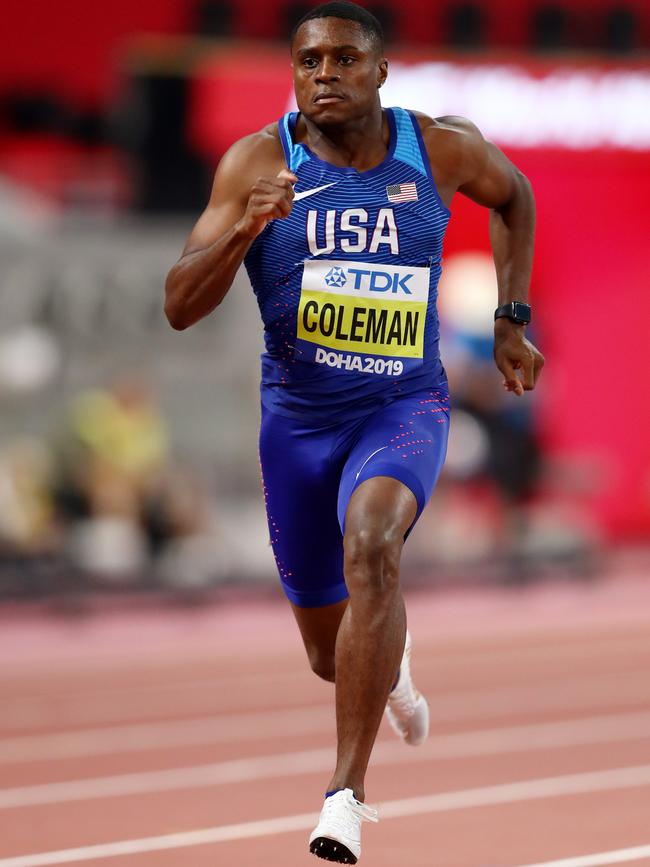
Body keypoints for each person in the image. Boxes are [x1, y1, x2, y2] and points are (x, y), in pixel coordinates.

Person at [165, 1, 544, 861]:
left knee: (373, 546)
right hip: (297, 424)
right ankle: (391, 666)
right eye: (308, 61)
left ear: (381, 70)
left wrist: (512, 317)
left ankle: (345, 796)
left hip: (402, 405)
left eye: (343, 59)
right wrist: (247, 230)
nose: (323, 75)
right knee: (328, 654)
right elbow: (179, 305)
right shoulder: (258, 161)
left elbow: (515, 196)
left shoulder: (437, 148)